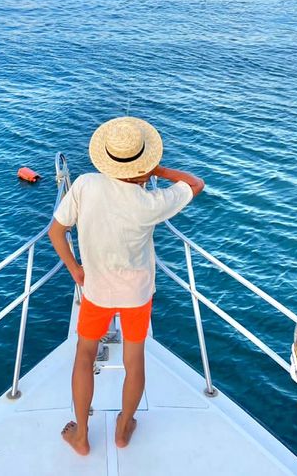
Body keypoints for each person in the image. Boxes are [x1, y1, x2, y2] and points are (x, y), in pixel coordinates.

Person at [48, 116, 204, 456]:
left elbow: (56, 232)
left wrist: (76, 270)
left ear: (106, 156)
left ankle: (82, 435)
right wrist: (160, 172)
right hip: (137, 295)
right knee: (135, 361)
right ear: (143, 165)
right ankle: (123, 428)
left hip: (96, 291)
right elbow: (195, 184)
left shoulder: (87, 185)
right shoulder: (150, 203)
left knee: (83, 356)